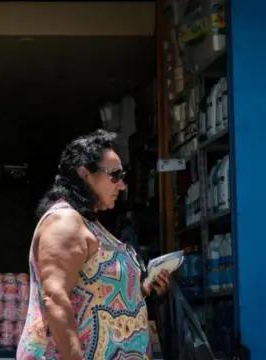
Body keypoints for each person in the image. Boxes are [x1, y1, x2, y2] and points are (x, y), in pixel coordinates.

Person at [17, 130, 170, 360]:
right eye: (115, 175)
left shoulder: (89, 224)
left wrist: (144, 288)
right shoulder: (65, 221)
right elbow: (55, 298)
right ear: (85, 174)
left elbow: (98, 291)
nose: (122, 186)